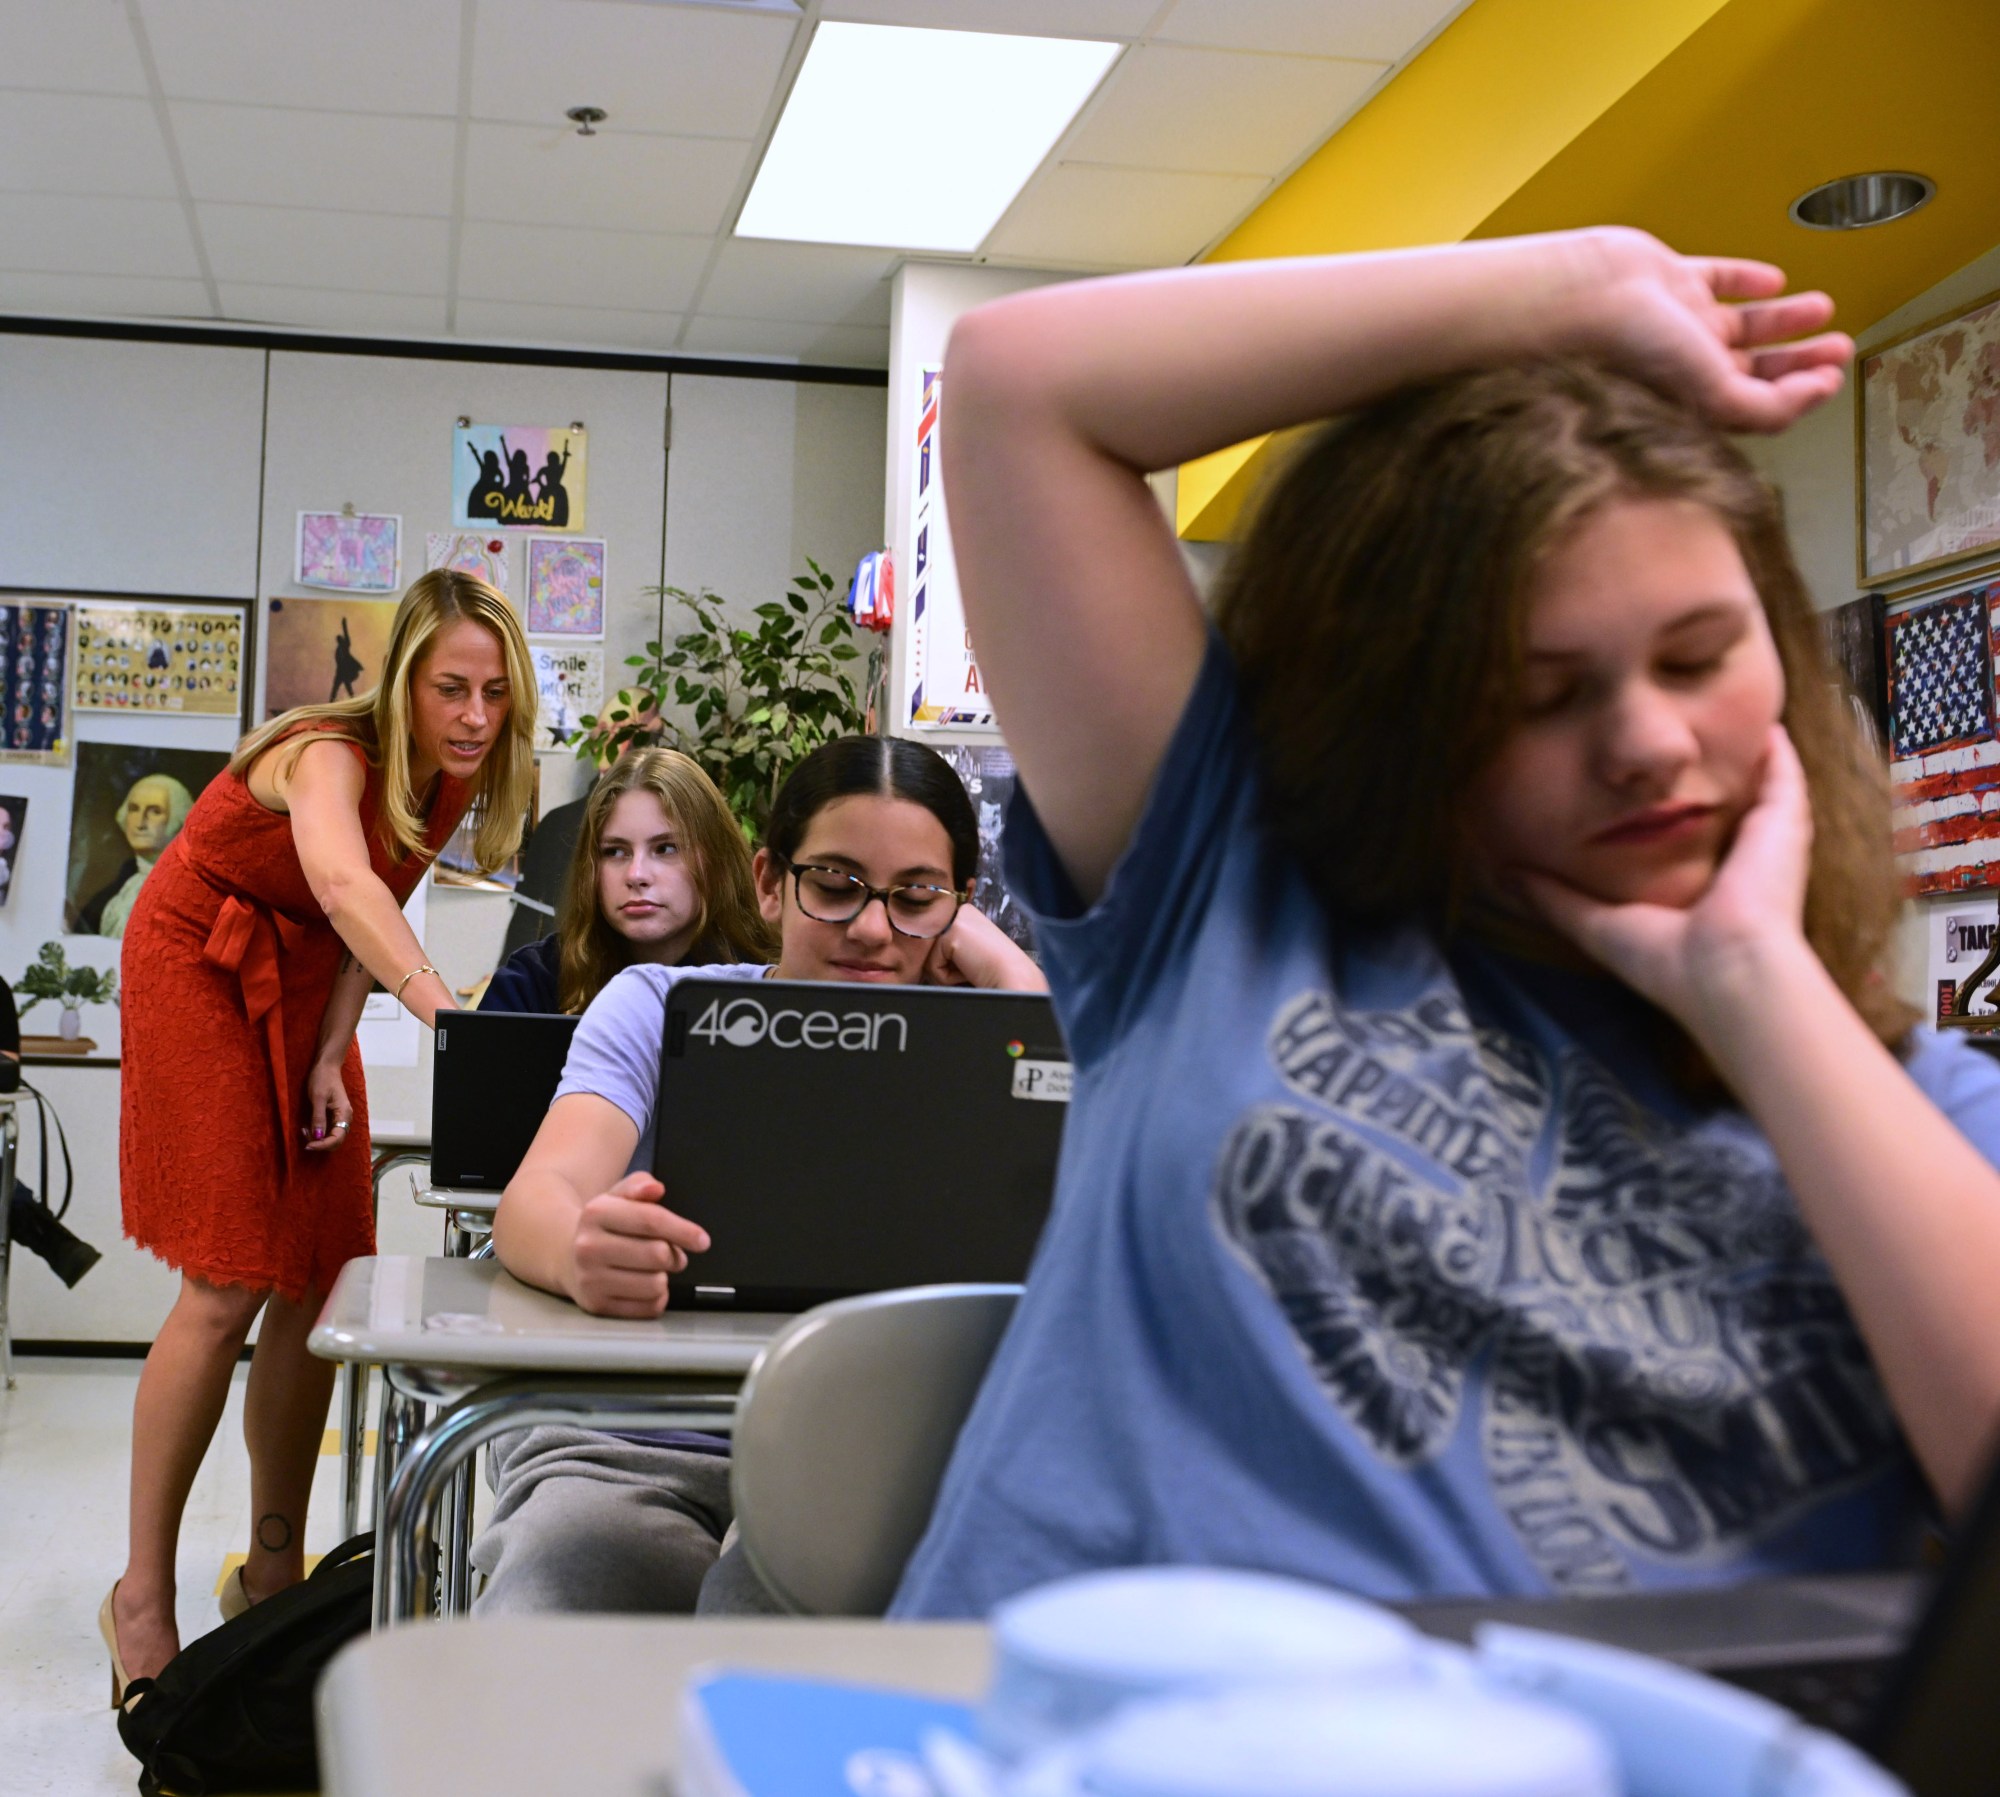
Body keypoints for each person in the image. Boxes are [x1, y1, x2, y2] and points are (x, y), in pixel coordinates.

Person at [884, 229, 2000, 1620]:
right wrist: (1571, 290)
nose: (1648, 743)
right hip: (1082, 1745)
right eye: (1540, 692)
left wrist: (1760, 988)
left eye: (1700, 657)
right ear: (1410, 718)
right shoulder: (1229, 891)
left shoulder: (1921, 1113)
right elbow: (1015, 385)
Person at [470, 735, 1045, 1615]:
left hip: (874, 1455)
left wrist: (1010, 976)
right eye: (836, 884)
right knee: (552, 1604)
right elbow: (534, 1202)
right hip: (632, 1442)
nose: (871, 927)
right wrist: (580, 1248)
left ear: (958, 909)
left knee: (766, 1618)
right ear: (772, 881)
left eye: (916, 896)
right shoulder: (655, 1005)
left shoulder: (992, 1042)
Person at [104, 569, 535, 1701]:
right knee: (229, 1275)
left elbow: (359, 919)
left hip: (304, 977)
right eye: (450, 688)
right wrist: (450, 1020)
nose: (474, 717)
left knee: (325, 1267)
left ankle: (273, 1570)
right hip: (199, 955)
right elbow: (345, 881)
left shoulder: (448, 776)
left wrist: (327, 1047)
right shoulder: (328, 751)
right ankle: (139, 1594)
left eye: (495, 693)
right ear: (402, 679)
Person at [482, 749, 774, 1016]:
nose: (636, 875)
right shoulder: (532, 984)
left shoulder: (772, 980)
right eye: (615, 852)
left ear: (714, 859)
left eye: (665, 849)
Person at [75, 772, 196, 937]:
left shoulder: (191, 893)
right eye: (134, 809)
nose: (140, 822)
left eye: (155, 811)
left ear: (177, 818)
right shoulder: (110, 894)